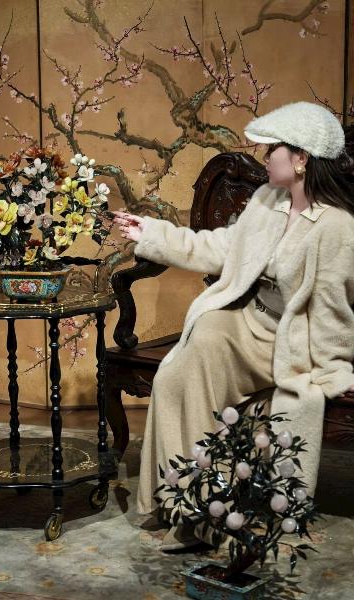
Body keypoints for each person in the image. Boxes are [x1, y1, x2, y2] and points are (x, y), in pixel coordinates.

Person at [113, 101, 354, 550]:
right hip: (245, 321)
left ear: (301, 158)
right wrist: (151, 233)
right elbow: (220, 247)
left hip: (288, 340)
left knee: (222, 369)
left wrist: (330, 368)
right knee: (177, 374)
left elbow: (332, 311)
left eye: (272, 148)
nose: (264, 157)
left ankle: (224, 510)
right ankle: (191, 506)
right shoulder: (267, 200)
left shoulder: (336, 227)